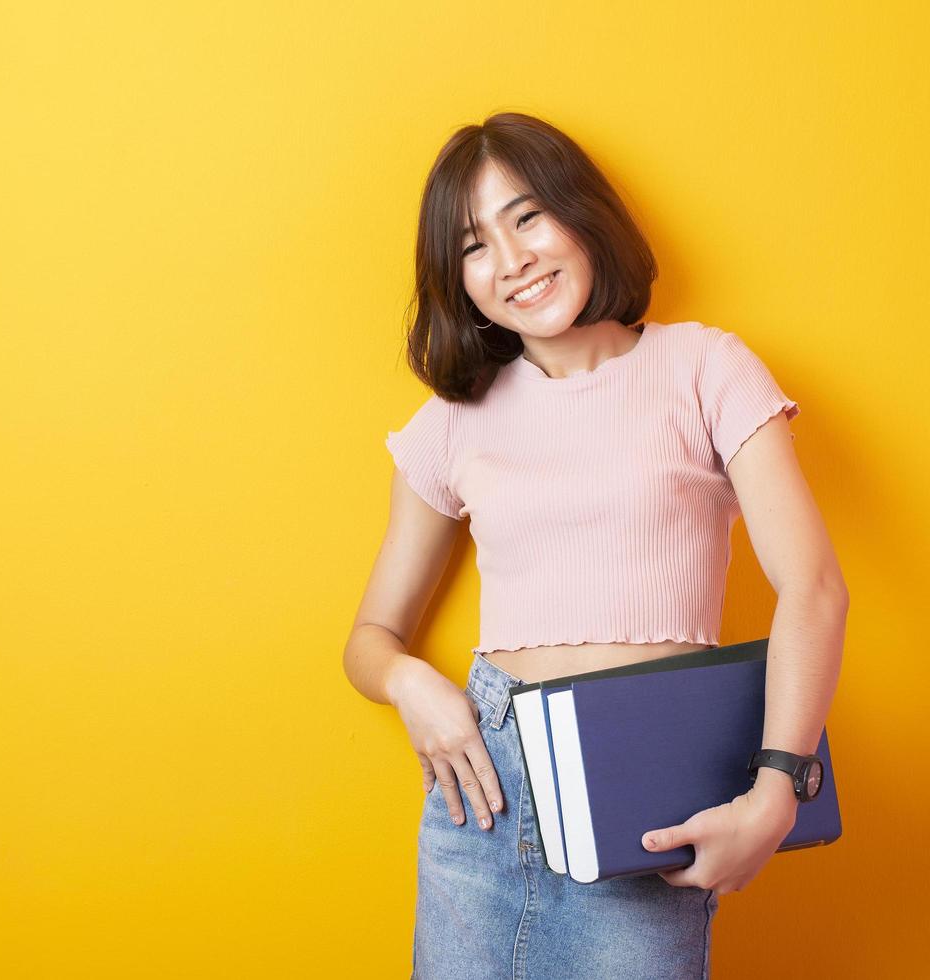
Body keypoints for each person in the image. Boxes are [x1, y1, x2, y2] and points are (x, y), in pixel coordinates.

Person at [341, 113, 849, 979]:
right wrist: (409, 683)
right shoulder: (449, 426)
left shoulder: (705, 366)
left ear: (583, 215)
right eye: (474, 244)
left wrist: (777, 789)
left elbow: (813, 588)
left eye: (528, 215)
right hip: (482, 795)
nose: (512, 260)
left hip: (647, 782)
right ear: (457, 279)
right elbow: (368, 639)